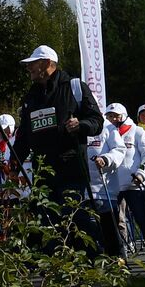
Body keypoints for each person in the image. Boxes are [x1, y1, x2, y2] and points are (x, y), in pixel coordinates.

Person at [10, 45, 104, 249]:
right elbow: (24, 136)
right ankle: (56, 275)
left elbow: (97, 121)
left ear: (47, 64)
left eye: (32, 64)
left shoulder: (74, 87)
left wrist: (81, 125)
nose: (29, 69)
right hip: (42, 174)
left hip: (72, 170)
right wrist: (14, 164)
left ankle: (90, 268)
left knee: (77, 221)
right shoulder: (30, 98)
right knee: (48, 226)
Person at [92, 103, 145, 257]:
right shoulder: (107, 130)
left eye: (116, 115)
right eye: (110, 116)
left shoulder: (136, 131)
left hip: (133, 184)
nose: (113, 118)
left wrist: (141, 173)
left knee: (142, 218)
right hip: (114, 185)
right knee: (117, 221)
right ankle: (122, 252)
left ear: (124, 115)